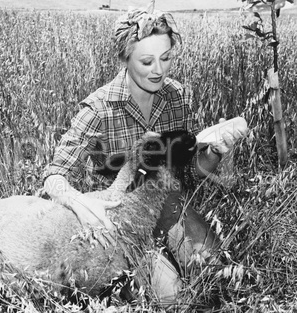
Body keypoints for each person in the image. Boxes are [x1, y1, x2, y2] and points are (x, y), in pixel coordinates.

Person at [41, 3, 245, 244]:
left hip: (167, 204)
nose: (159, 70)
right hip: (118, 218)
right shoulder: (98, 109)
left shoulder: (177, 96)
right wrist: (78, 202)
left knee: (211, 262)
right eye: (147, 62)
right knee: (165, 283)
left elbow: (188, 171)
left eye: (166, 58)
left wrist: (211, 154)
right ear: (125, 59)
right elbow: (54, 178)